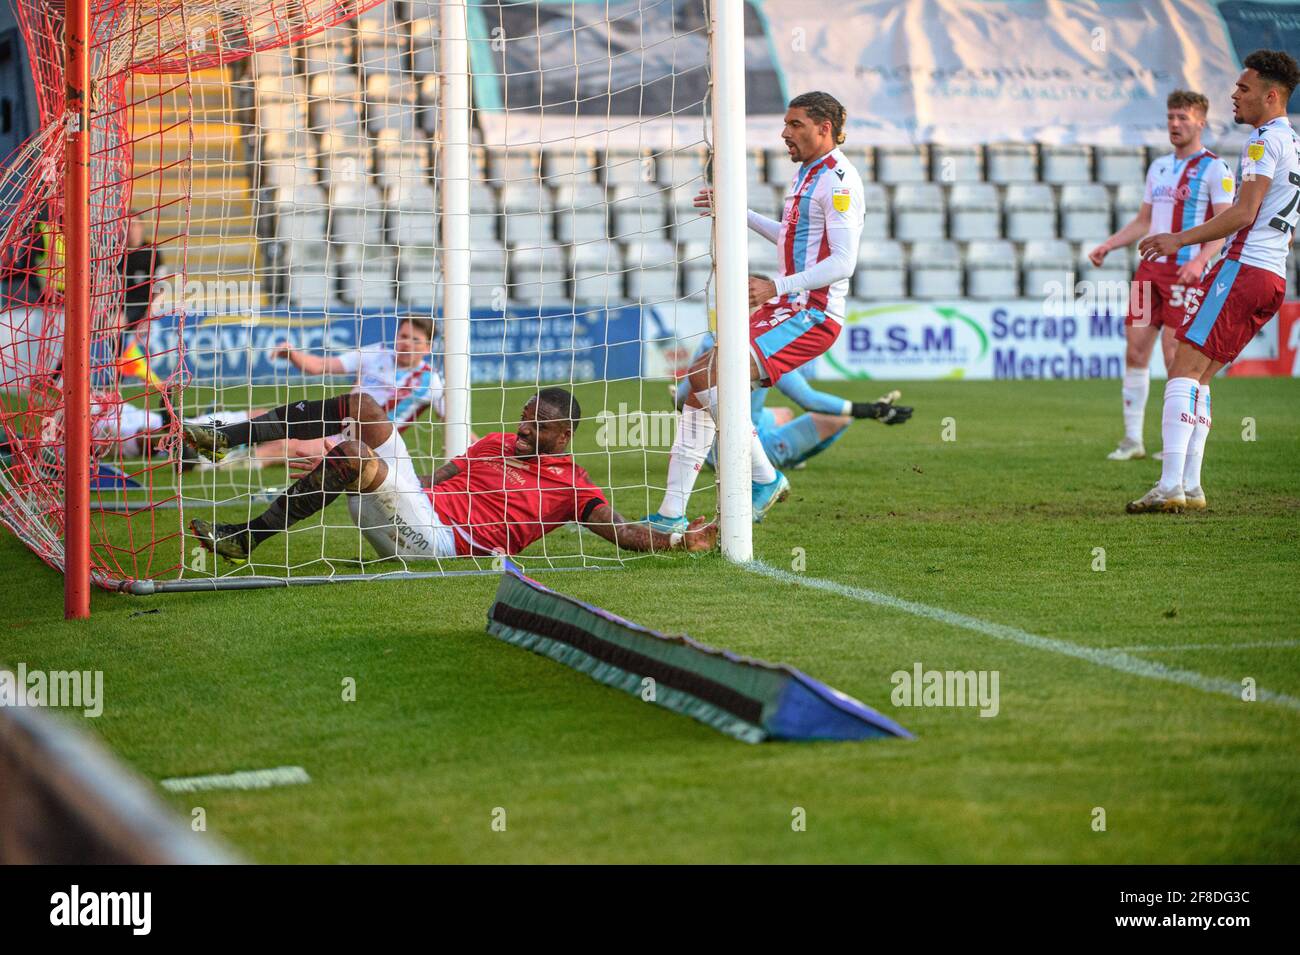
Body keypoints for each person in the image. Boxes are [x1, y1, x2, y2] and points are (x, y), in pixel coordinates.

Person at [643, 91, 867, 532]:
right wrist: (738, 213)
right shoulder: (809, 174)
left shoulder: (839, 181)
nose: (785, 133)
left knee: (710, 378)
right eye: (785, 124)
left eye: (795, 124)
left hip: (812, 314)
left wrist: (774, 286)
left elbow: (844, 262)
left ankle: (764, 479)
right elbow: (791, 238)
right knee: (696, 384)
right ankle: (670, 514)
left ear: (824, 128)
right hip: (788, 306)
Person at [185, 388, 717, 563]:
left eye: (539, 426)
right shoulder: (496, 444)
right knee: (362, 406)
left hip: (434, 542)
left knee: (351, 451)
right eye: (526, 419)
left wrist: (678, 540)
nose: (524, 430)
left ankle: (245, 538)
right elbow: (442, 474)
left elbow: (621, 532)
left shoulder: (573, 485)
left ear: (564, 438)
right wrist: (356, 472)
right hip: (410, 507)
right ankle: (228, 436)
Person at [1129, 49, 1299, 513]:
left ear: (1270, 95)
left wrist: (1176, 240)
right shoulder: (1294, 141)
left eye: (1243, 88)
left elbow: (1243, 213)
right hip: (1272, 277)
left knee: (1183, 368)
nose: (1234, 95)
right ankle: (1191, 486)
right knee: (1201, 376)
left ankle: (1170, 485)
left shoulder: (1264, 141)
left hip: (1243, 270)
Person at [1089, 91, 1235, 461]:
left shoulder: (1216, 169)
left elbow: (1225, 227)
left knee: (1176, 357)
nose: (1174, 124)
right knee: (1135, 349)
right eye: (1170, 117)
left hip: (1185, 275)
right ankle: (1132, 440)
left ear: (1201, 121)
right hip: (1148, 274)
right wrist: (1109, 245)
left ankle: (1177, 445)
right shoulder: (1159, 168)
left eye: (1183, 118)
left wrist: (1200, 261)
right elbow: (1143, 221)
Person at [200, 316, 456, 469]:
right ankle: (198, 427)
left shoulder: (430, 382)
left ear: (428, 347)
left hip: (358, 443)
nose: (406, 343)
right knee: (268, 417)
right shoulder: (376, 352)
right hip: (335, 418)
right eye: (403, 335)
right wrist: (293, 355)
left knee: (286, 445)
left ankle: (201, 460)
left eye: (415, 340)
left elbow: (456, 423)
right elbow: (322, 366)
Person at [677, 330, 912, 472]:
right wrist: (869, 410)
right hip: (743, 451)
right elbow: (809, 400)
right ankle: (781, 462)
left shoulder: (712, 340)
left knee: (785, 414)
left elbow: (680, 399)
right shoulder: (765, 350)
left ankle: (719, 453)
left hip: (708, 445)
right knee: (840, 420)